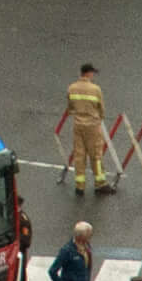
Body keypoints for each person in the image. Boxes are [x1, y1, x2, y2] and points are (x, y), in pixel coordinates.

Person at [59, 64, 111, 195]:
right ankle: (100, 183)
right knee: (96, 155)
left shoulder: (72, 88)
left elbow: (70, 107)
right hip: (92, 125)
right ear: (89, 73)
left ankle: (80, 186)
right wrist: (99, 118)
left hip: (78, 125)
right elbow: (101, 109)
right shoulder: (95, 89)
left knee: (79, 155)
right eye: (93, 73)